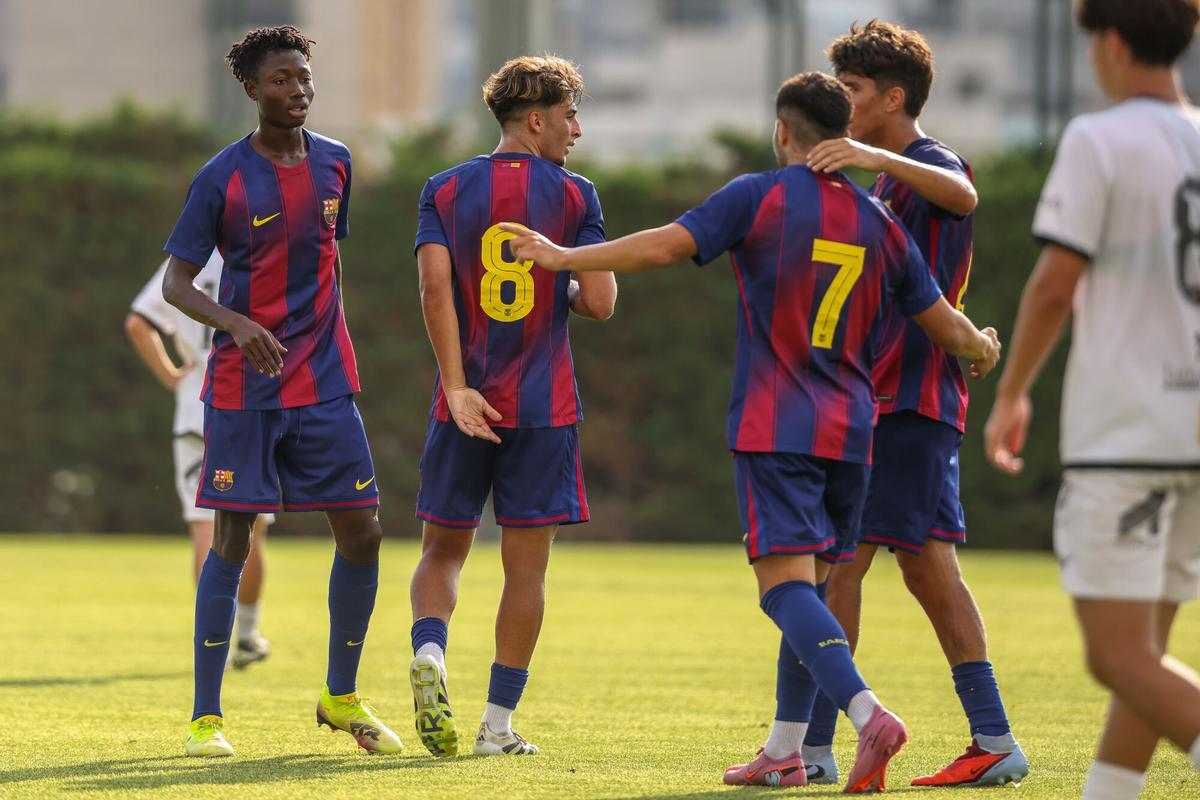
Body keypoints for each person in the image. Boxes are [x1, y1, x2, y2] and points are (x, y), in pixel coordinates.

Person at [503, 71, 1001, 793]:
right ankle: (786, 750)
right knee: (818, 589)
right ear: (845, 138)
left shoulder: (760, 196)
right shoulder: (878, 220)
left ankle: (868, 715)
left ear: (782, 133)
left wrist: (564, 257)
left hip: (778, 425)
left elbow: (664, 247)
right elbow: (943, 321)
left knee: (783, 592)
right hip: (855, 434)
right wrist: (983, 348)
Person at [792, 20, 1027, 787]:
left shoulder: (924, 162)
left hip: (905, 401)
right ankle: (993, 740)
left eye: (854, 91)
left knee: (841, 566)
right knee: (925, 570)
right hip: (891, 398)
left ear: (894, 98)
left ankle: (817, 749)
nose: (844, 102)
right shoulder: (891, 181)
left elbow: (964, 191)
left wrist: (869, 155)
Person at [161, 25, 400, 758]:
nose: (296, 89)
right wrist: (234, 322)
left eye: (303, 77)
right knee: (231, 540)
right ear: (251, 89)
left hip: (327, 384)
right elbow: (176, 282)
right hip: (243, 388)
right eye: (280, 80)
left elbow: (324, 262)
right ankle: (207, 718)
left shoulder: (336, 163)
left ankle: (341, 695)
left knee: (363, 529)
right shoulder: (223, 176)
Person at [984, 1, 1200, 797]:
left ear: (1108, 43)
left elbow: (1052, 288)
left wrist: (1012, 393)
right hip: (1193, 437)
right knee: (1144, 658)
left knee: (1115, 656)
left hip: (1128, 433)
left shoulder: (1099, 138)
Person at [408, 55, 617, 759]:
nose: (575, 131)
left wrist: (458, 384)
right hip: (543, 410)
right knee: (525, 572)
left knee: (443, 550)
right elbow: (600, 301)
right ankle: (496, 727)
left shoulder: (443, 188)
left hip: (461, 404)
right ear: (537, 119)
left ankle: (431, 652)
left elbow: (436, 294)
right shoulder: (576, 195)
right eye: (568, 117)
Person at [126, 252, 272, 670]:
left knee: (204, 527)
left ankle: (215, 644)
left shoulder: (190, 258)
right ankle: (247, 634)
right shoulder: (260, 248)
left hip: (196, 408)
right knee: (253, 527)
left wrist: (173, 375)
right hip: (251, 403)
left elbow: (137, 322)